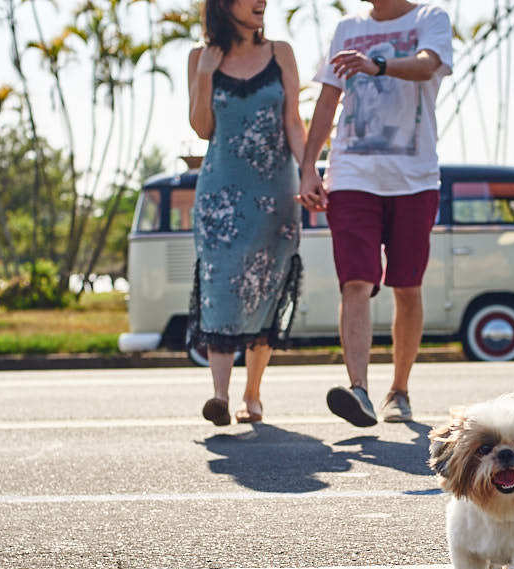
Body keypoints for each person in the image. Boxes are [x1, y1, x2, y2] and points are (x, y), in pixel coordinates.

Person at [297, 0, 453, 428]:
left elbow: (426, 66)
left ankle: (399, 390)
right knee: (356, 281)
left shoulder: (430, 18)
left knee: (406, 285)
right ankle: (359, 390)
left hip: (414, 177)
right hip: (350, 174)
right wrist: (309, 167)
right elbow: (328, 98)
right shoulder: (347, 27)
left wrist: (376, 65)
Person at [187, 0, 307, 426]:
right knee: (219, 282)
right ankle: (219, 395)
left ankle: (252, 395)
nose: (261, 2)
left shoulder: (281, 53)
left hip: (276, 191)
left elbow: (293, 121)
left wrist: (309, 171)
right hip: (220, 192)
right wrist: (204, 77)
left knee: (265, 283)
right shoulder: (200, 58)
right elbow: (202, 128)